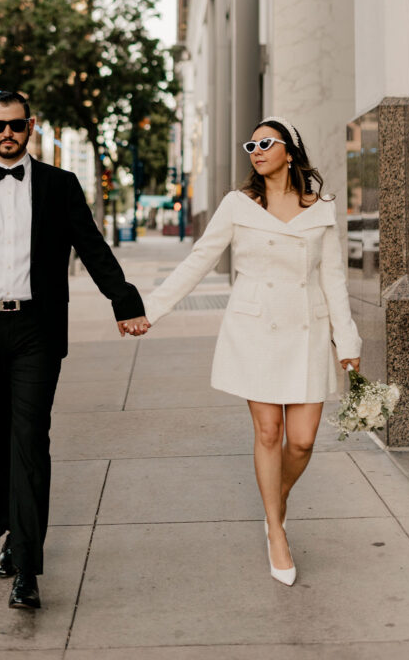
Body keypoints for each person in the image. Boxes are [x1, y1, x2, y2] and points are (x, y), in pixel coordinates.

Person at [0, 91, 149, 610]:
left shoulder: (60, 185)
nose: (6, 134)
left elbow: (92, 246)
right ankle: (12, 534)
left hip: (36, 330)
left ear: (30, 126)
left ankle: (27, 570)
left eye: (15, 125)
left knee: (30, 438)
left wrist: (125, 302)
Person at [143, 117, 361, 587]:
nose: (256, 151)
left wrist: (348, 340)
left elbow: (333, 279)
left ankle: (272, 505)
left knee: (301, 440)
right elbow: (200, 258)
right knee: (270, 431)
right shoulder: (238, 204)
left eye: (266, 143)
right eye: (251, 144)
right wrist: (152, 309)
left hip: (306, 329)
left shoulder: (320, 208)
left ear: (289, 151)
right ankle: (276, 531)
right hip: (255, 329)